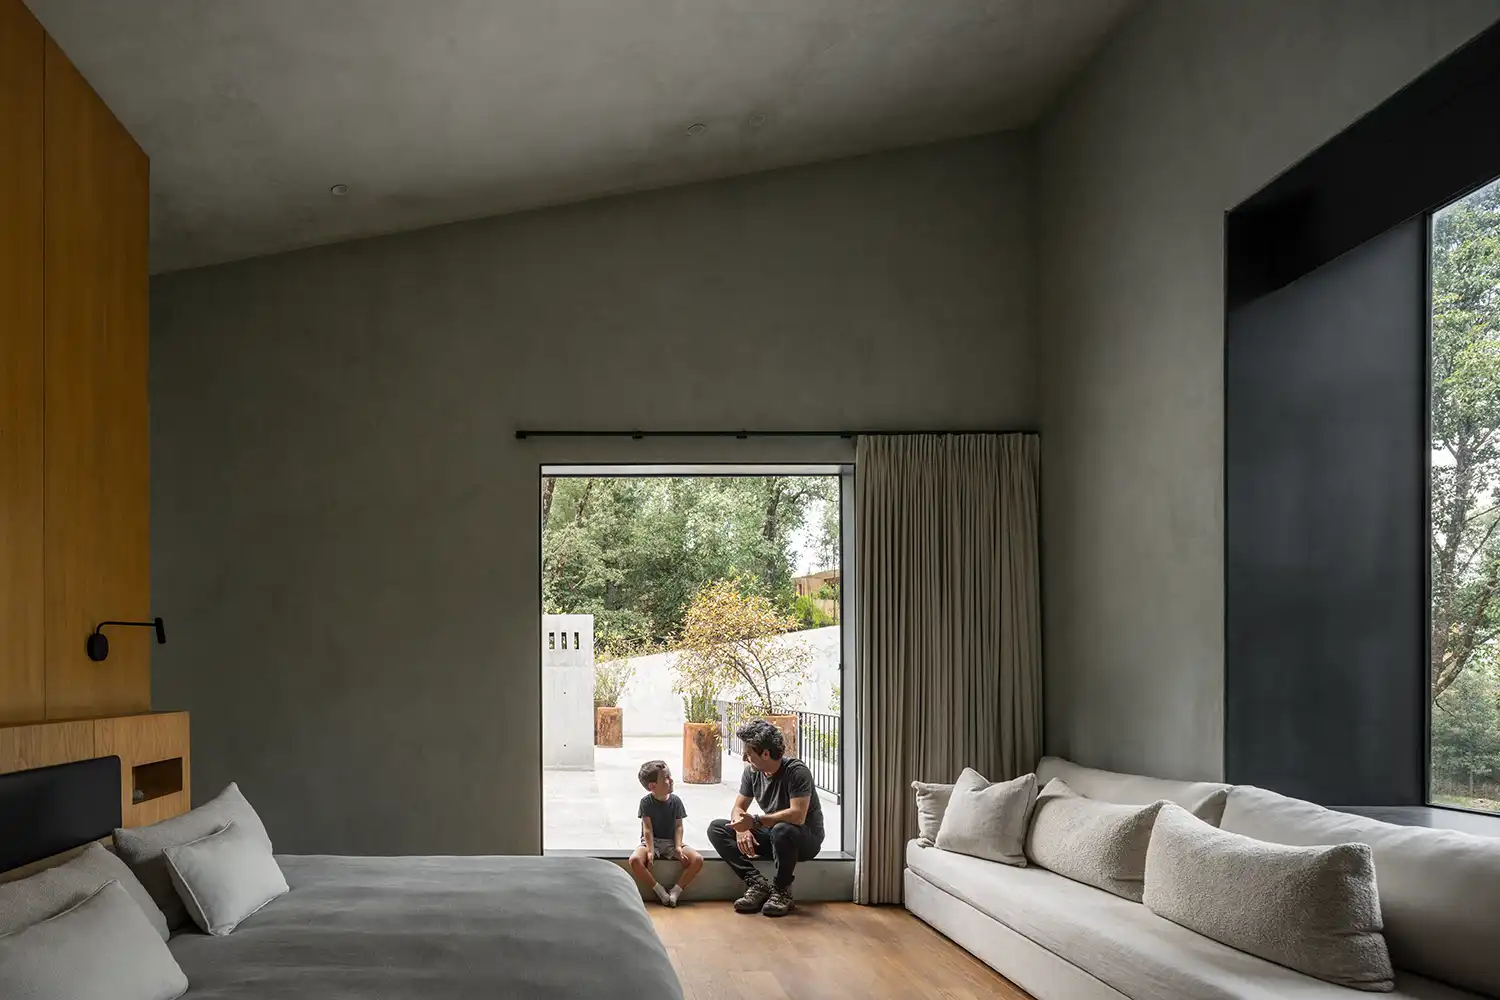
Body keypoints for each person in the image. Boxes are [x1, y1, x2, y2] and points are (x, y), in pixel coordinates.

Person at [707, 719, 825, 917]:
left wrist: (755, 821)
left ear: (766, 754)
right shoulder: (752, 772)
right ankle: (757, 884)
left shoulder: (797, 771)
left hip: (802, 841)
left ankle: (781, 891)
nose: (745, 758)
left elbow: (798, 816)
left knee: (783, 829)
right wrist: (741, 829)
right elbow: (738, 807)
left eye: (749, 753)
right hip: (773, 836)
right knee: (716, 828)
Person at [628, 760, 703, 906]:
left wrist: (678, 846)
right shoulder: (646, 802)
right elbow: (647, 829)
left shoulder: (676, 801)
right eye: (666, 778)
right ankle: (659, 889)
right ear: (652, 786)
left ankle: (676, 890)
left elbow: (678, 827)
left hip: (671, 841)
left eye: (670, 776)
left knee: (698, 859)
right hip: (652, 842)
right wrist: (650, 850)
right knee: (634, 860)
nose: (671, 780)